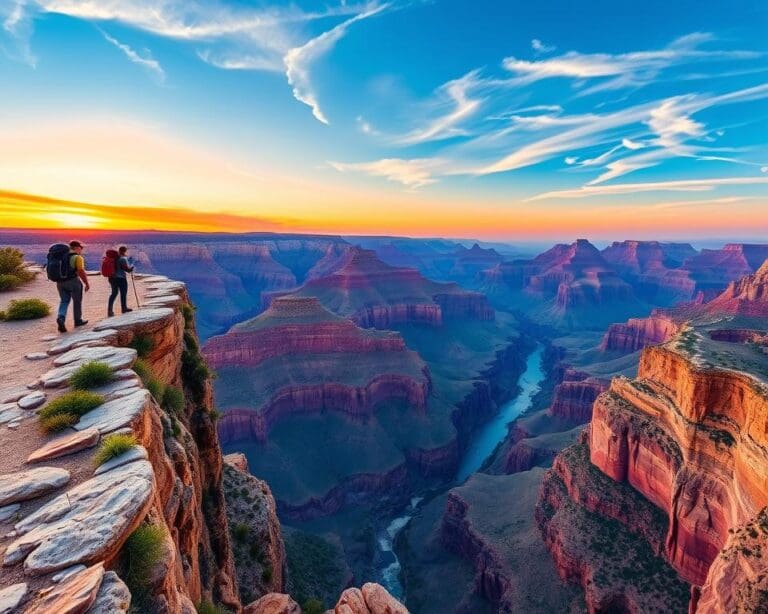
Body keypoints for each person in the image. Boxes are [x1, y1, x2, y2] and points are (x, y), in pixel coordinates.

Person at [56, 240, 90, 332]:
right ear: (76, 247)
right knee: (77, 301)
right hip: (73, 281)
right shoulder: (77, 257)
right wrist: (86, 283)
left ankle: (61, 317)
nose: (81, 250)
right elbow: (80, 271)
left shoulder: (61, 256)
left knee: (64, 301)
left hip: (60, 282)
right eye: (81, 248)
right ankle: (78, 321)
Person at [107, 245, 135, 317]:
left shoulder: (114, 258)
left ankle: (109, 310)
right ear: (124, 251)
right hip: (121, 278)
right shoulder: (123, 259)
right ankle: (124, 308)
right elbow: (127, 270)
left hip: (112, 278)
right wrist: (132, 267)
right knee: (123, 293)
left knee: (114, 293)